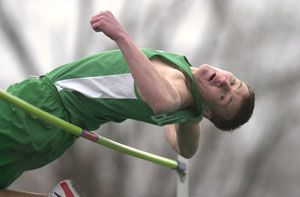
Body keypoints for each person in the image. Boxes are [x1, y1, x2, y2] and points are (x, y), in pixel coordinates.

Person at [0, 11, 255, 197]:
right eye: (233, 82)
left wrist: (120, 35)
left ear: (210, 110)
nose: (224, 83)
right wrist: (194, 117)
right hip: (59, 133)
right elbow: (186, 149)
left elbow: (163, 100)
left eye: (224, 96)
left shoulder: (178, 85)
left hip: (38, 108)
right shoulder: (188, 111)